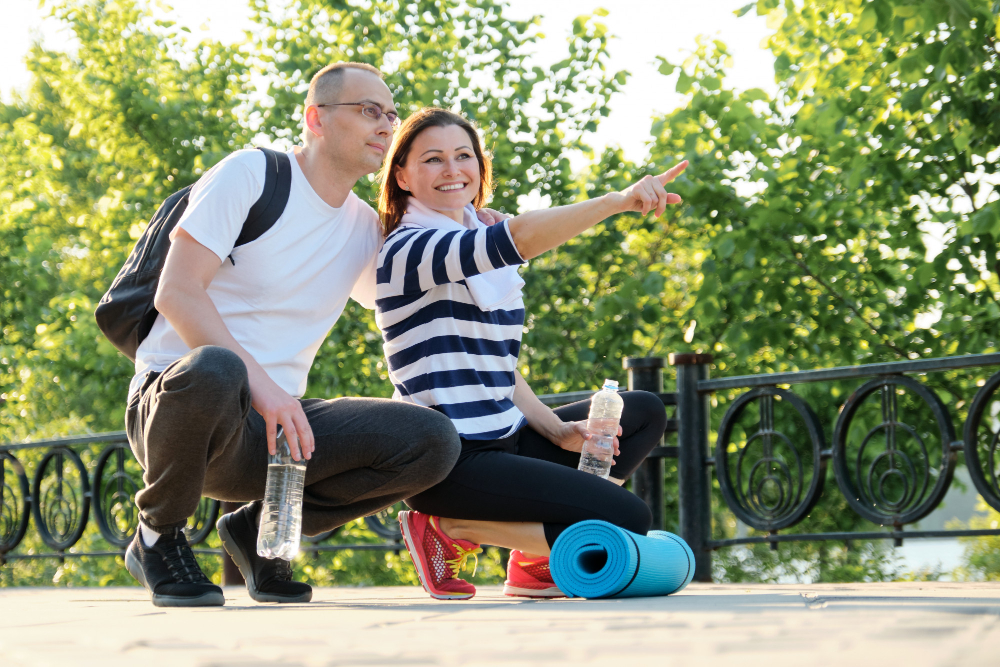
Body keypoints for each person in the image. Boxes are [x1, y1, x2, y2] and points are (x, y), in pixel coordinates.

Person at [122, 64, 504, 608]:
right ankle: (157, 536)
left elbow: (413, 300)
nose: (386, 126)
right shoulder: (251, 174)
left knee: (431, 439)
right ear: (315, 119)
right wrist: (268, 390)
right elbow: (177, 294)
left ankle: (261, 534)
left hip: (274, 438)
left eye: (391, 115)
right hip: (180, 409)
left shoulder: (365, 228)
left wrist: (463, 220)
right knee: (216, 366)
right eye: (369, 111)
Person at [374, 107, 686, 600]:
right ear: (402, 175)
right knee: (626, 516)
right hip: (448, 460)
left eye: (464, 156)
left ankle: (532, 562)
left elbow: (497, 365)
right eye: (433, 159)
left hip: (504, 438)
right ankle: (450, 527)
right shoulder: (410, 249)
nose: (454, 170)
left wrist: (557, 429)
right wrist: (618, 200)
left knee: (641, 410)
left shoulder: (473, 235)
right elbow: (515, 239)